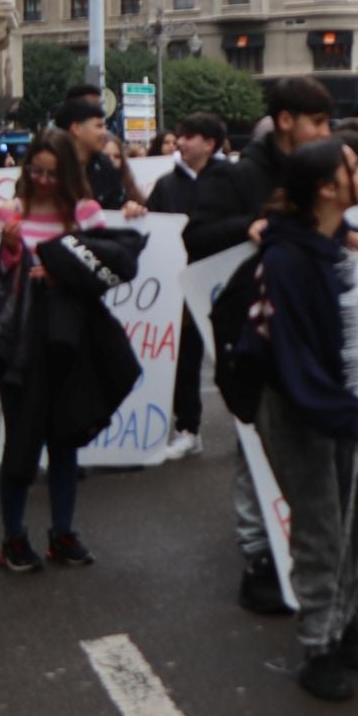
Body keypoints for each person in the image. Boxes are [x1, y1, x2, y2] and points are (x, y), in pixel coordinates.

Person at [186, 77, 336, 614]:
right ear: (288, 121)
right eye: (317, 122)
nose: (326, 131)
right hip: (253, 331)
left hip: (313, 332)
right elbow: (196, 236)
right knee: (259, 442)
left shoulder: (328, 173)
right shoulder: (239, 177)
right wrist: (246, 228)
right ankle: (259, 556)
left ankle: (310, 554)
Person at [243, 138, 358, 702]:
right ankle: (318, 647)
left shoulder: (328, 250)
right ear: (327, 188)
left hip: (341, 409)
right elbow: (295, 356)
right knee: (321, 527)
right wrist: (347, 413)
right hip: (304, 410)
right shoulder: (287, 260)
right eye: (353, 168)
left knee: (353, 522)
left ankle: (345, 619)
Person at [0, 132, 109, 571]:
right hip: (20, 341)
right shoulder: (10, 213)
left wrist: (61, 275)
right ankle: (13, 538)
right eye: (35, 171)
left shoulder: (86, 213)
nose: (42, 180)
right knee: (20, 444)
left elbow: (105, 269)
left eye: (51, 173)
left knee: (64, 440)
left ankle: (62, 531)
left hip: (67, 340)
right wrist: (7, 248)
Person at [147, 113, 229, 460]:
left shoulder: (232, 180)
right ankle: (188, 427)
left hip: (224, 284)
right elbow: (153, 226)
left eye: (189, 136)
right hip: (181, 285)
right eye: (179, 136)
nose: (180, 142)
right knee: (186, 358)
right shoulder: (167, 185)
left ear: (210, 143)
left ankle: (253, 434)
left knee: (234, 360)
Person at [59, 86, 131, 212]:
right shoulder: (50, 164)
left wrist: (130, 210)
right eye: (99, 126)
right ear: (76, 128)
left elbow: (118, 208)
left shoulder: (106, 168)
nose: (105, 133)